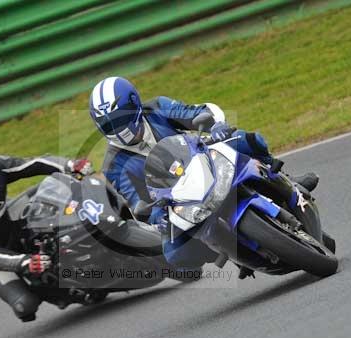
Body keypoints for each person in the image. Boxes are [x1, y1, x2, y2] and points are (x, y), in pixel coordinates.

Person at [89, 76, 318, 276]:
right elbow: (134, 201)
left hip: (203, 159)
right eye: (109, 126)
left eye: (120, 121)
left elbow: (198, 112)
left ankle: (284, 178)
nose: (120, 130)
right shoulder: (112, 166)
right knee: (176, 255)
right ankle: (225, 248)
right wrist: (151, 213)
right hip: (175, 201)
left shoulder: (158, 108)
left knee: (249, 141)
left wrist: (216, 125)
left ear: (135, 105)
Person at [0, 137, 93, 322]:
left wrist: (69, 164)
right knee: (25, 305)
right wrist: (25, 262)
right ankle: (50, 289)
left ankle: (86, 230)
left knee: (50, 190)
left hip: (7, 221)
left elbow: (34, 163)